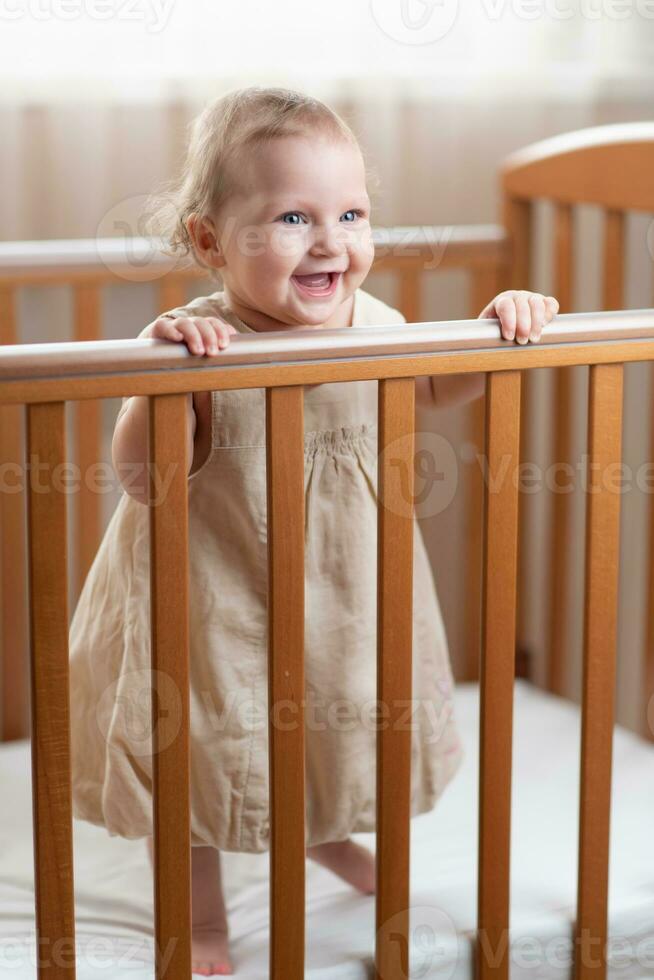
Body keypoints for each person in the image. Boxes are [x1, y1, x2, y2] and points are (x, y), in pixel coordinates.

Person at [68, 85, 559, 976]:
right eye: (294, 216)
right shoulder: (194, 345)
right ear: (212, 242)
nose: (331, 241)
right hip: (209, 598)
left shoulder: (376, 328)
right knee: (200, 750)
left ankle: (323, 839)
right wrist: (160, 382)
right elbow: (142, 477)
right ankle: (202, 919)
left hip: (336, 588)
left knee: (327, 726)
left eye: (351, 214)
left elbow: (438, 388)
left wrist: (500, 331)